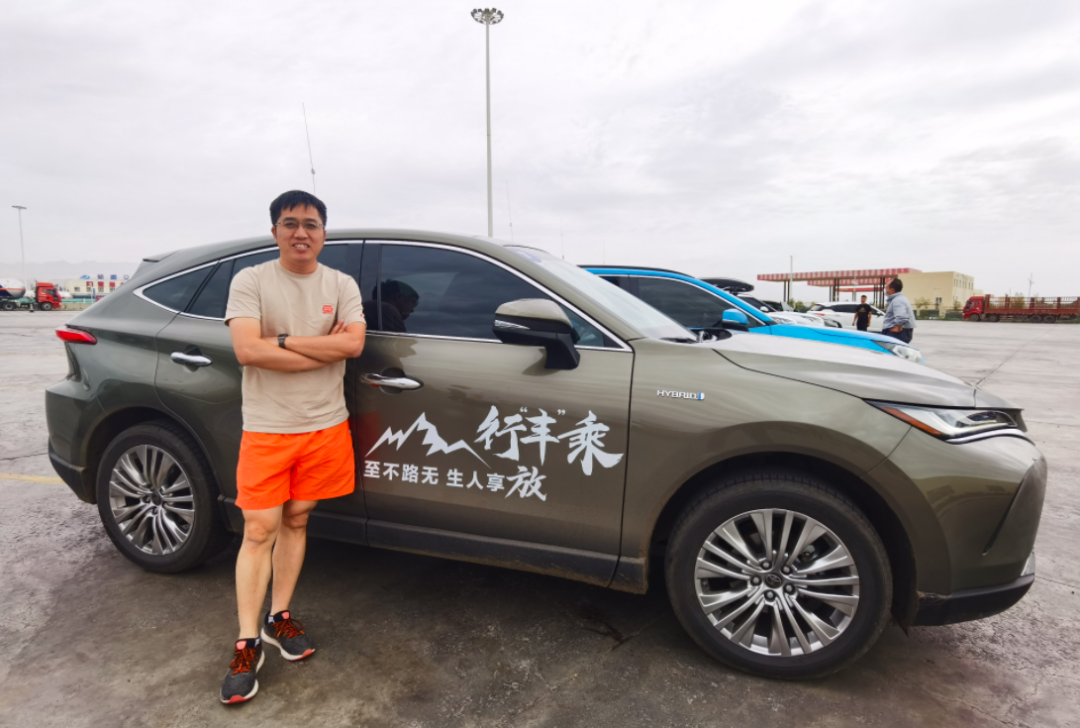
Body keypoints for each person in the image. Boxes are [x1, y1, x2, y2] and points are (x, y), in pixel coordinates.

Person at [220, 190, 367, 704]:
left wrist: (279, 342)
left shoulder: (341, 284)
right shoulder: (252, 280)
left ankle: (278, 616)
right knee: (259, 529)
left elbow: (353, 344)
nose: (301, 232)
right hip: (268, 426)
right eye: (290, 223)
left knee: (298, 520)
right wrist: (319, 349)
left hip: (326, 424)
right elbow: (246, 350)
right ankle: (246, 642)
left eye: (310, 223)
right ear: (275, 231)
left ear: (324, 232)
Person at [882, 278, 915, 343]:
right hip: (899, 333)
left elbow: (902, 317)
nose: (885, 289)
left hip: (896, 334)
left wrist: (898, 328)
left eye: (886, 287)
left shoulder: (898, 300)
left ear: (892, 290)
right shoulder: (899, 298)